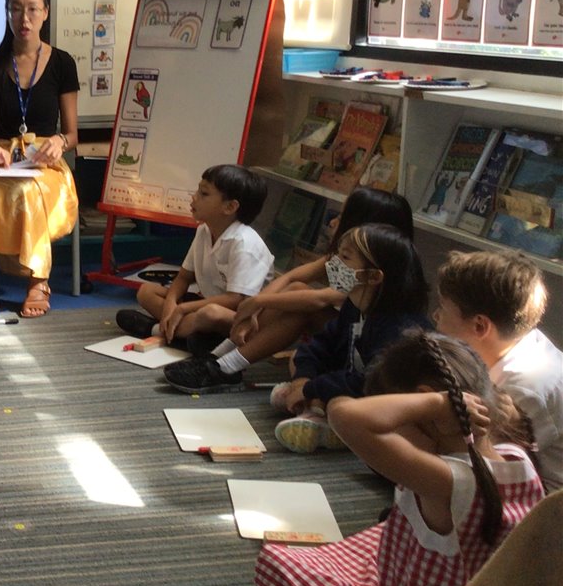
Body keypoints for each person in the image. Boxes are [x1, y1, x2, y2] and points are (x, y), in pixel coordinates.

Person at [253, 331, 544, 586]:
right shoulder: (518, 458)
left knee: (276, 566)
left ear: (428, 405)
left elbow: (344, 415)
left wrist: (435, 404)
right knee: (378, 534)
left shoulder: (447, 481)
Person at [165, 187, 414, 393]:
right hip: (344, 333)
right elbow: (294, 276)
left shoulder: (370, 270)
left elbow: (321, 298)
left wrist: (257, 303)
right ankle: (219, 358)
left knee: (300, 308)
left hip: (358, 347)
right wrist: (255, 308)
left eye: (342, 216)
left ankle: (226, 366)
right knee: (294, 290)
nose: (333, 222)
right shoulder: (348, 256)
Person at [0, 0, 80, 319]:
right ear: (7, 13)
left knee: (30, 190)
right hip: (2, 156)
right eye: (16, 9)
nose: (24, 18)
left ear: (46, 12)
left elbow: (72, 134)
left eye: (32, 9)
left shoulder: (63, 63)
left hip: (45, 160)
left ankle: (38, 281)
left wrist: (60, 141)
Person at [265, 223, 431, 452]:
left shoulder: (401, 328)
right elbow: (320, 344)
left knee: (341, 405)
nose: (333, 264)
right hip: (355, 380)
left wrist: (313, 388)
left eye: (344, 257)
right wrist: (303, 380)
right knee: (298, 358)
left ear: (373, 276)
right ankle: (314, 411)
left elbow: (370, 382)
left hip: (382, 400)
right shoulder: (354, 306)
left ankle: (320, 417)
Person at [432, 249, 561, 491]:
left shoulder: (523, 387)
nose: (435, 316)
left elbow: (488, 465)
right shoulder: (520, 341)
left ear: (480, 326)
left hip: (541, 501)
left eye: (443, 308)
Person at [117, 164, 272, 359]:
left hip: (241, 318)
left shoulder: (245, 243)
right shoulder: (204, 230)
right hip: (203, 304)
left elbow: (236, 299)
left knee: (210, 314)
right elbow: (183, 277)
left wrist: (183, 308)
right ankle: (181, 333)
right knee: (146, 291)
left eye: (204, 194)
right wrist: (171, 305)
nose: (194, 197)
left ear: (230, 207)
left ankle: (156, 330)